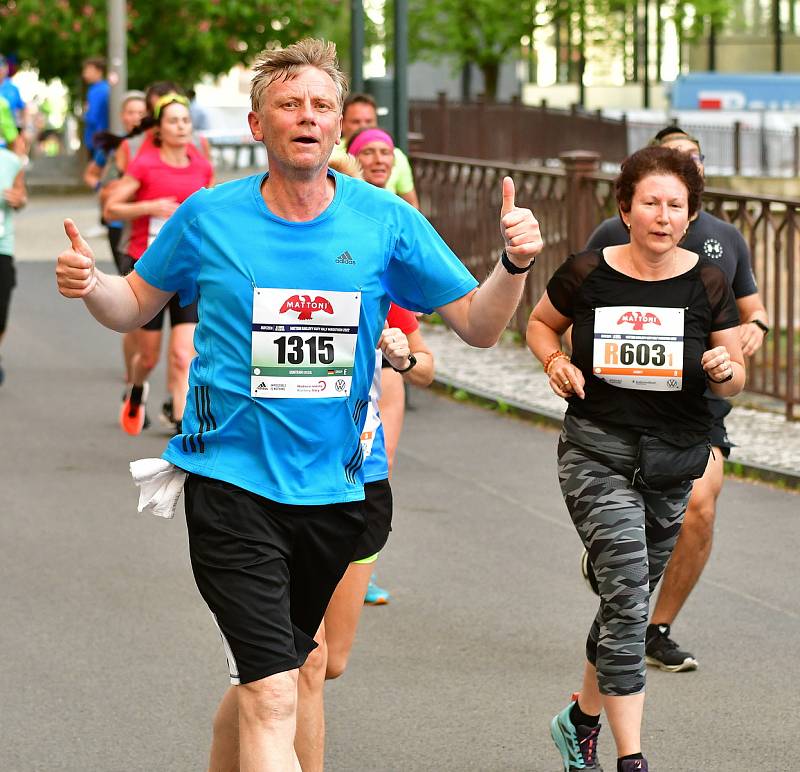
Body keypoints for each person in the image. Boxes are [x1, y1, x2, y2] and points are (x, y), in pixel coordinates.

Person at [55, 38, 542, 771]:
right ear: (258, 125)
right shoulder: (207, 217)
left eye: (320, 105)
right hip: (230, 487)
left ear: (338, 127)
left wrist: (513, 265)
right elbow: (131, 306)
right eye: (289, 104)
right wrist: (91, 281)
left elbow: (477, 325)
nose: (306, 117)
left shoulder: (383, 221)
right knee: (276, 694)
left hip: (335, 490)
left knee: (278, 674)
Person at [527, 145, 744, 772]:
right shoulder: (588, 271)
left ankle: (579, 721)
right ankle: (632, 758)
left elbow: (734, 376)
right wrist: (556, 361)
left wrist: (724, 368)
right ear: (625, 208)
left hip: (673, 463)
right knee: (627, 597)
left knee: (624, 598)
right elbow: (541, 324)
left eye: (677, 205)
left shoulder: (709, 281)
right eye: (650, 202)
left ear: (690, 215)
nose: (663, 214)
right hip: (597, 453)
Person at [581, 126, 769, 672]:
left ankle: (656, 627)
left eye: (691, 161)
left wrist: (752, 331)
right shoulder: (612, 235)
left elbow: (752, 309)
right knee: (629, 528)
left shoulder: (726, 239)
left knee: (700, 508)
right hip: (623, 408)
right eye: (669, 163)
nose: (682, 168)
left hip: (698, 406)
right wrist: (566, 362)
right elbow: (582, 304)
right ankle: (615, 564)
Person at [102, 93, 214, 435]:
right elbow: (112, 209)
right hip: (147, 266)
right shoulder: (145, 163)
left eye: (185, 121)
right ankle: (136, 388)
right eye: (173, 121)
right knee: (147, 357)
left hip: (189, 269)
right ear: (159, 129)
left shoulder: (201, 163)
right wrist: (149, 207)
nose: (181, 127)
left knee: (184, 354)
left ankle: (182, 424)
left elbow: (212, 211)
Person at [348, 125, 417, 603]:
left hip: (381, 365)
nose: (378, 159)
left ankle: (359, 565)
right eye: (366, 152)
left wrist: (405, 355)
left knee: (378, 462)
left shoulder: (395, 222)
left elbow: (466, 319)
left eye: (384, 152)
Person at [84, 90, 148, 273]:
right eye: (130, 112)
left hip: (144, 221)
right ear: (122, 116)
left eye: (141, 113)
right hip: (118, 221)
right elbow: (90, 174)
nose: (136, 118)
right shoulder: (112, 144)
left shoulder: (155, 145)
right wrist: (103, 189)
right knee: (126, 276)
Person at [330, 92, 419, 208]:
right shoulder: (329, 153)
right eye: (356, 122)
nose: (379, 160)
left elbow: (412, 204)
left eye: (369, 121)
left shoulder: (398, 155)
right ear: (342, 123)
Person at [0, 139, 27, 384]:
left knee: (1, 311)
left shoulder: (10, 161)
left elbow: (22, 196)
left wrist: (18, 199)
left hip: (2, 247)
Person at [81, 57, 110, 158]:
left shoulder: (97, 91)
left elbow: (91, 117)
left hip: (97, 139)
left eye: (88, 71)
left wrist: (85, 112)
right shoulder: (105, 88)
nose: (85, 74)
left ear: (99, 71)